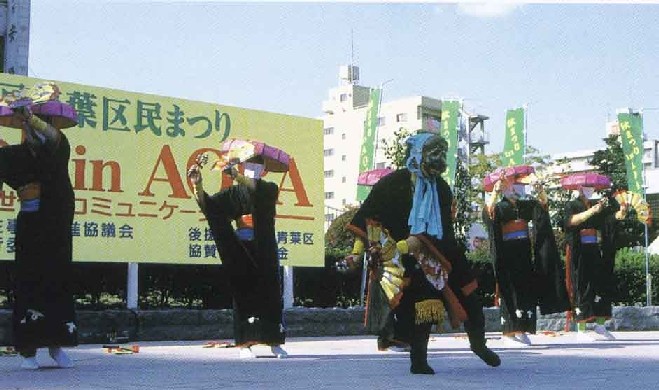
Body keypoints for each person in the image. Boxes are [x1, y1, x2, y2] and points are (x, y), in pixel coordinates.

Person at [346, 132, 500, 374]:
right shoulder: (391, 184)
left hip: (444, 252)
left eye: (442, 154)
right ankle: (418, 361)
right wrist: (357, 252)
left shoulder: (442, 188)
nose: (439, 159)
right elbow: (368, 220)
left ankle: (479, 345)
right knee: (423, 309)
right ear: (417, 155)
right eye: (434, 153)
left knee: (471, 298)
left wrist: (423, 244)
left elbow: (445, 230)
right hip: (404, 258)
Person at [0, 104, 77, 369]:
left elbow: (53, 138)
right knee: (29, 283)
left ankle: (57, 346)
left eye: (39, 126)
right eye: (27, 127)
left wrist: (31, 118)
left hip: (56, 226)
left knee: (59, 282)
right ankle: (28, 351)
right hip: (31, 228)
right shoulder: (14, 156)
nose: (35, 133)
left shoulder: (57, 147)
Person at [188, 154, 287, 358]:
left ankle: (274, 341)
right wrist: (197, 185)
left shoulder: (269, 188)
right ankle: (245, 344)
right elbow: (211, 208)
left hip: (265, 247)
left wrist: (236, 175)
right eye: (249, 163)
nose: (253, 167)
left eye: (258, 164)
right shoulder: (233, 192)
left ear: (264, 170)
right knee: (243, 293)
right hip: (242, 247)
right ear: (243, 166)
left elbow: (256, 192)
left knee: (271, 294)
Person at [483, 174, 570, 346]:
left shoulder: (526, 206)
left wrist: (540, 191)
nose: (518, 189)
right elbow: (488, 215)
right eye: (514, 185)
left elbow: (543, 209)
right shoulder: (500, 206)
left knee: (526, 291)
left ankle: (523, 329)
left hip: (524, 253)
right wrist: (495, 191)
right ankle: (509, 332)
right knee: (510, 291)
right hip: (507, 255)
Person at [563, 180, 627, 340]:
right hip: (579, 250)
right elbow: (570, 221)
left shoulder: (597, 205)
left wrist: (621, 212)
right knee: (582, 286)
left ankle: (600, 325)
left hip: (594, 249)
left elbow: (609, 221)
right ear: (579, 189)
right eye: (587, 187)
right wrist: (592, 210)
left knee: (601, 285)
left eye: (592, 188)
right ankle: (581, 329)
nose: (590, 190)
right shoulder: (572, 205)